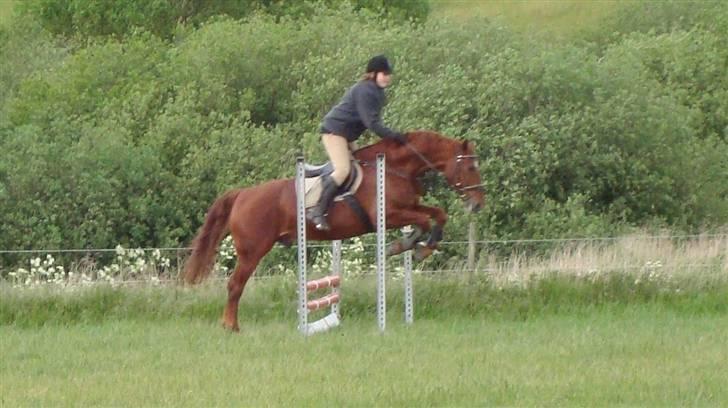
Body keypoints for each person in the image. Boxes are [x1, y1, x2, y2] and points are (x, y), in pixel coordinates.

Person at [307, 55, 407, 231]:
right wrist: (394, 136)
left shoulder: (377, 92)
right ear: (373, 74)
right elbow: (372, 124)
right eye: (384, 73)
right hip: (334, 132)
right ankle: (318, 211)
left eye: (389, 74)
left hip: (346, 136)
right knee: (343, 170)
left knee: (361, 164)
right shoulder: (365, 90)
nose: (387, 77)